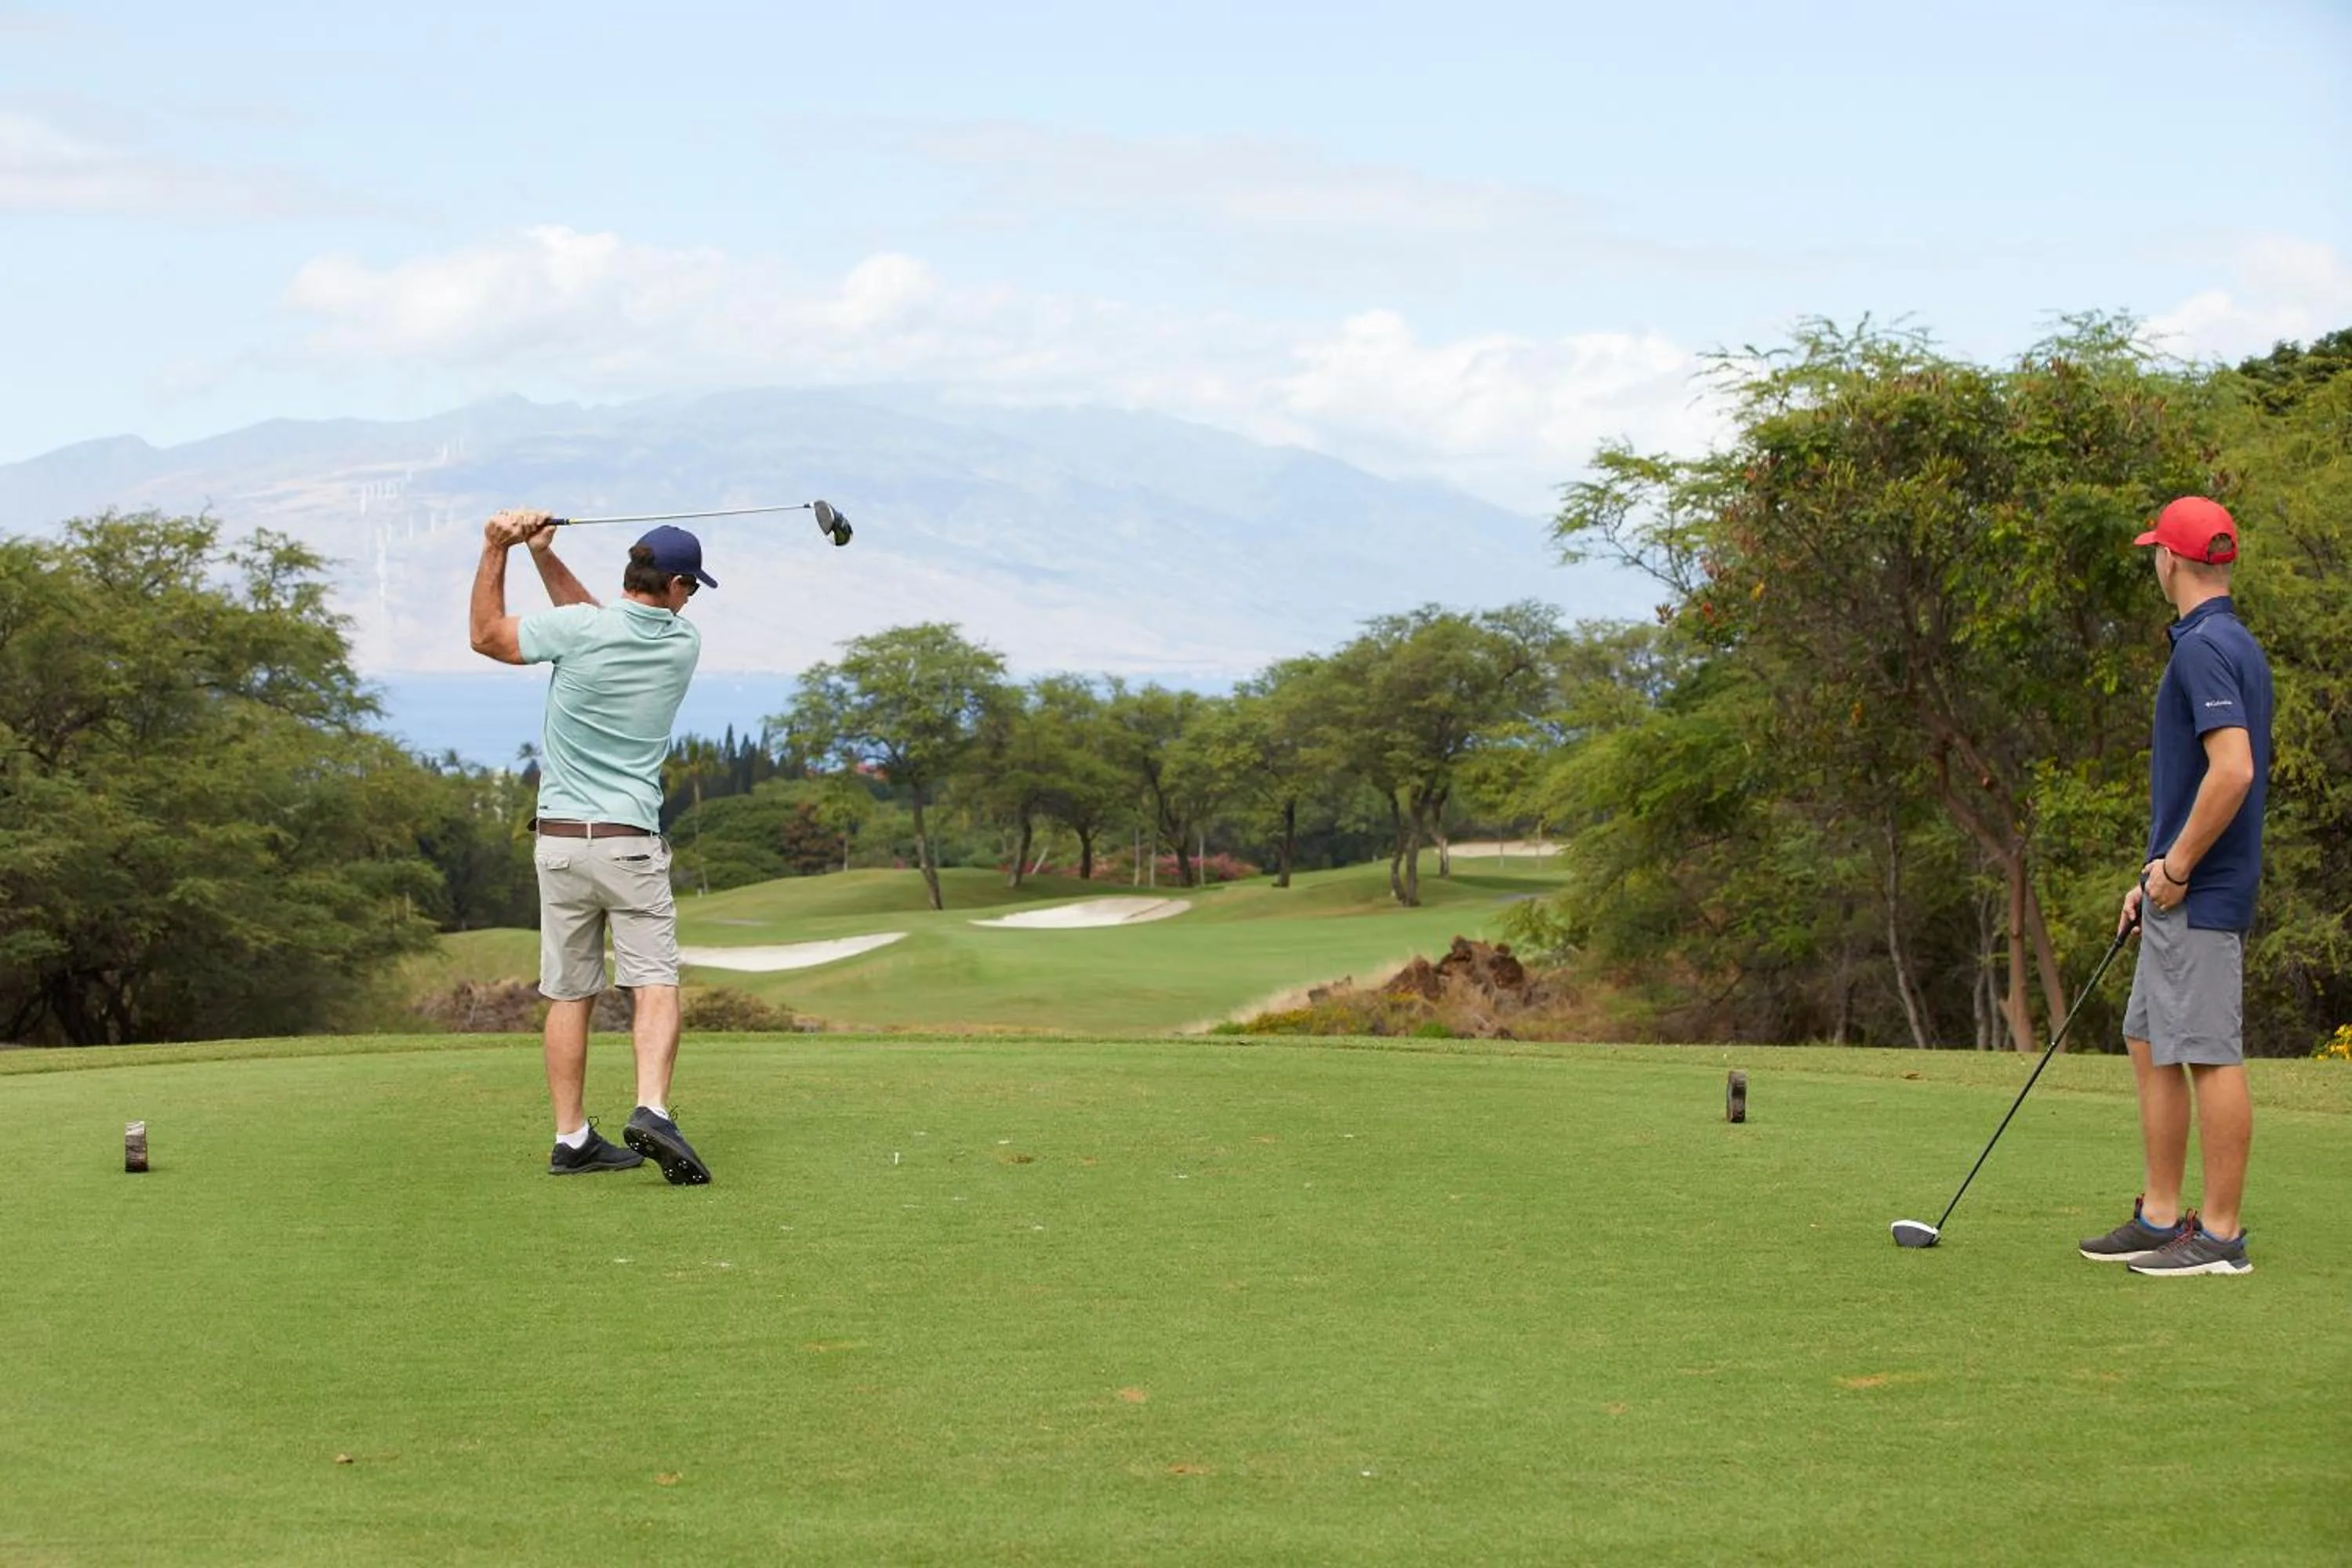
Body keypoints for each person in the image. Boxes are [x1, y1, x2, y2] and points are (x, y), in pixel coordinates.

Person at [469, 509, 717, 1185]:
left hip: (558, 845)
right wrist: (536, 554)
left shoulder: (582, 632)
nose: (690, 598)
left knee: (570, 993)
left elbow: (489, 637)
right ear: (669, 586)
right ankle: (652, 1109)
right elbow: (597, 621)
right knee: (655, 981)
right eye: (689, 586)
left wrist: (502, 551)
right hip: (628, 844)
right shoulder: (680, 643)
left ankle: (572, 1137)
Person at [2079, 496, 2272, 1276]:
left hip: (2202, 890)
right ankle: (2162, 1214)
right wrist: (2152, 870)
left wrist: (2180, 865)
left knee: (2209, 1054)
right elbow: (2204, 776)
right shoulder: (2231, 642)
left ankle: (2219, 1234)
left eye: (2156, 550)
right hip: (2174, 887)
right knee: (2151, 1037)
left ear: (2171, 561)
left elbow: (2234, 770)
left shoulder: (2203, 650)